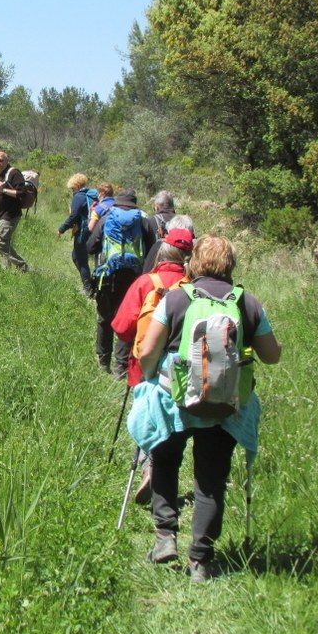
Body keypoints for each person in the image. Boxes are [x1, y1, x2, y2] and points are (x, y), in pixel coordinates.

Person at [131, 235, 281, 582]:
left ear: (194, 263)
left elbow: (148, 350)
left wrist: (153, 379)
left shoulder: (176, 299)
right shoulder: (248, 303)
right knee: (211, 480)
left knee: (165, 460)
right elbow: (272, 357)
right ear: (231, 265)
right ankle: (200, 560)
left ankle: (165, 537)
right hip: (226, 404)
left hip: (176, 399)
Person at [111, 220, 195, 505]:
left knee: (147, 413)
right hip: (181, 368)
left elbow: (121, 327)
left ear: (163, 250)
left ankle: (148, 467)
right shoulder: (193, 288)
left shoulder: (146, 282)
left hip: (143, 365)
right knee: (176, 419)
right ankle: (164, 468)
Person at [86, 187, 156, 378]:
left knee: (104, 318)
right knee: (129, 320)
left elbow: (90, 247)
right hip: (134, 278)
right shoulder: (144, 221)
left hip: (107, 275)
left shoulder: (107, 217)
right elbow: (153, 252)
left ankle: (103, 362)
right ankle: (120, 367)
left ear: (117, 202)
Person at [0, 150, 29, 272]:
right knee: (5, 242)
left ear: (7, 160)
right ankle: (6, 269)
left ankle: (23, 266)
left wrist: (3, 190)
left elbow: (21, 193)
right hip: (2, 214)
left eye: (1, 160)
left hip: (10, 214)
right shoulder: (1, 173)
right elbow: (1, 193)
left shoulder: (14, 173)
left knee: (0, 242)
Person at [57, 172, 94, 295]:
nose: (72, 191)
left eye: (72, 188)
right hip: (93, 230)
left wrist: (61, 229)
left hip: (83, 231)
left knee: (80, 259)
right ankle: (89, 283)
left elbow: (74, 216)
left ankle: (88, 289)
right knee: (77, 256)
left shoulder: (79, 197)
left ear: (77, 186)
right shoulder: (91, 195)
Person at [142, 191, 178, 272]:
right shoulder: (182, 221)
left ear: (157, 206)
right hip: (178, 270)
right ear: (172, 206)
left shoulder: (149, 222)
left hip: (154, 270)